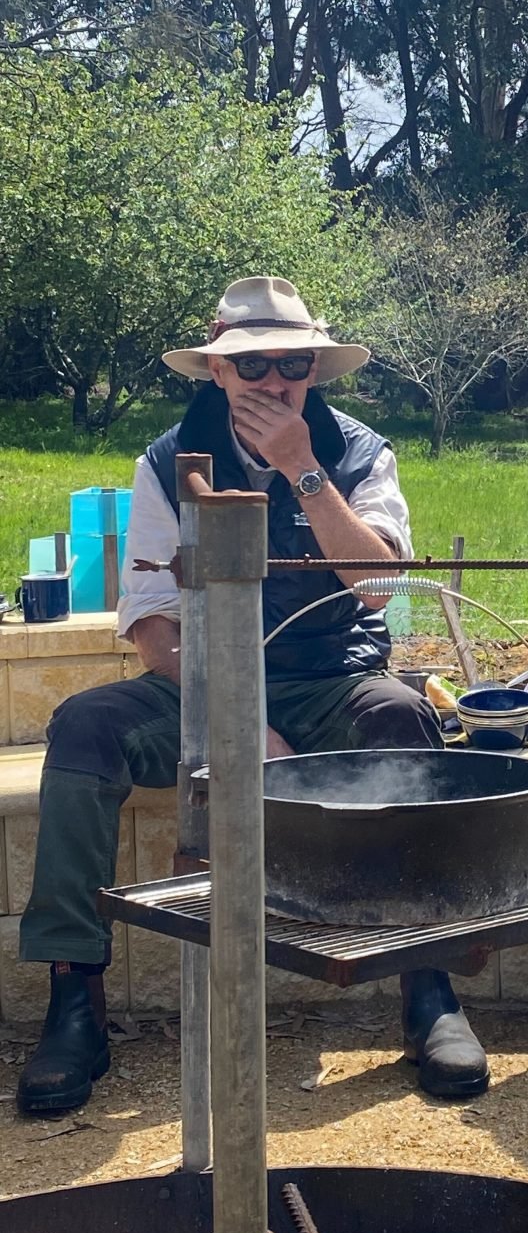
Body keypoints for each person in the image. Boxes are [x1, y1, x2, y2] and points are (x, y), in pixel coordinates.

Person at [17, 277, 489, 1114]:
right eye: (253, 364)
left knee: (405, 718)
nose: (274, 382)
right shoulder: (166, 461)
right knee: (85, 727)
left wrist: (303, 470)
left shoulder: (360, 453)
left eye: (293, 364)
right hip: (206, 683)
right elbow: (154, 626)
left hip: (331, 678)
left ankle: (429, 988)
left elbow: (379, 586)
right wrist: (241, 721)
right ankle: (73, 999)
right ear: (217, 370)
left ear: (314, 371)